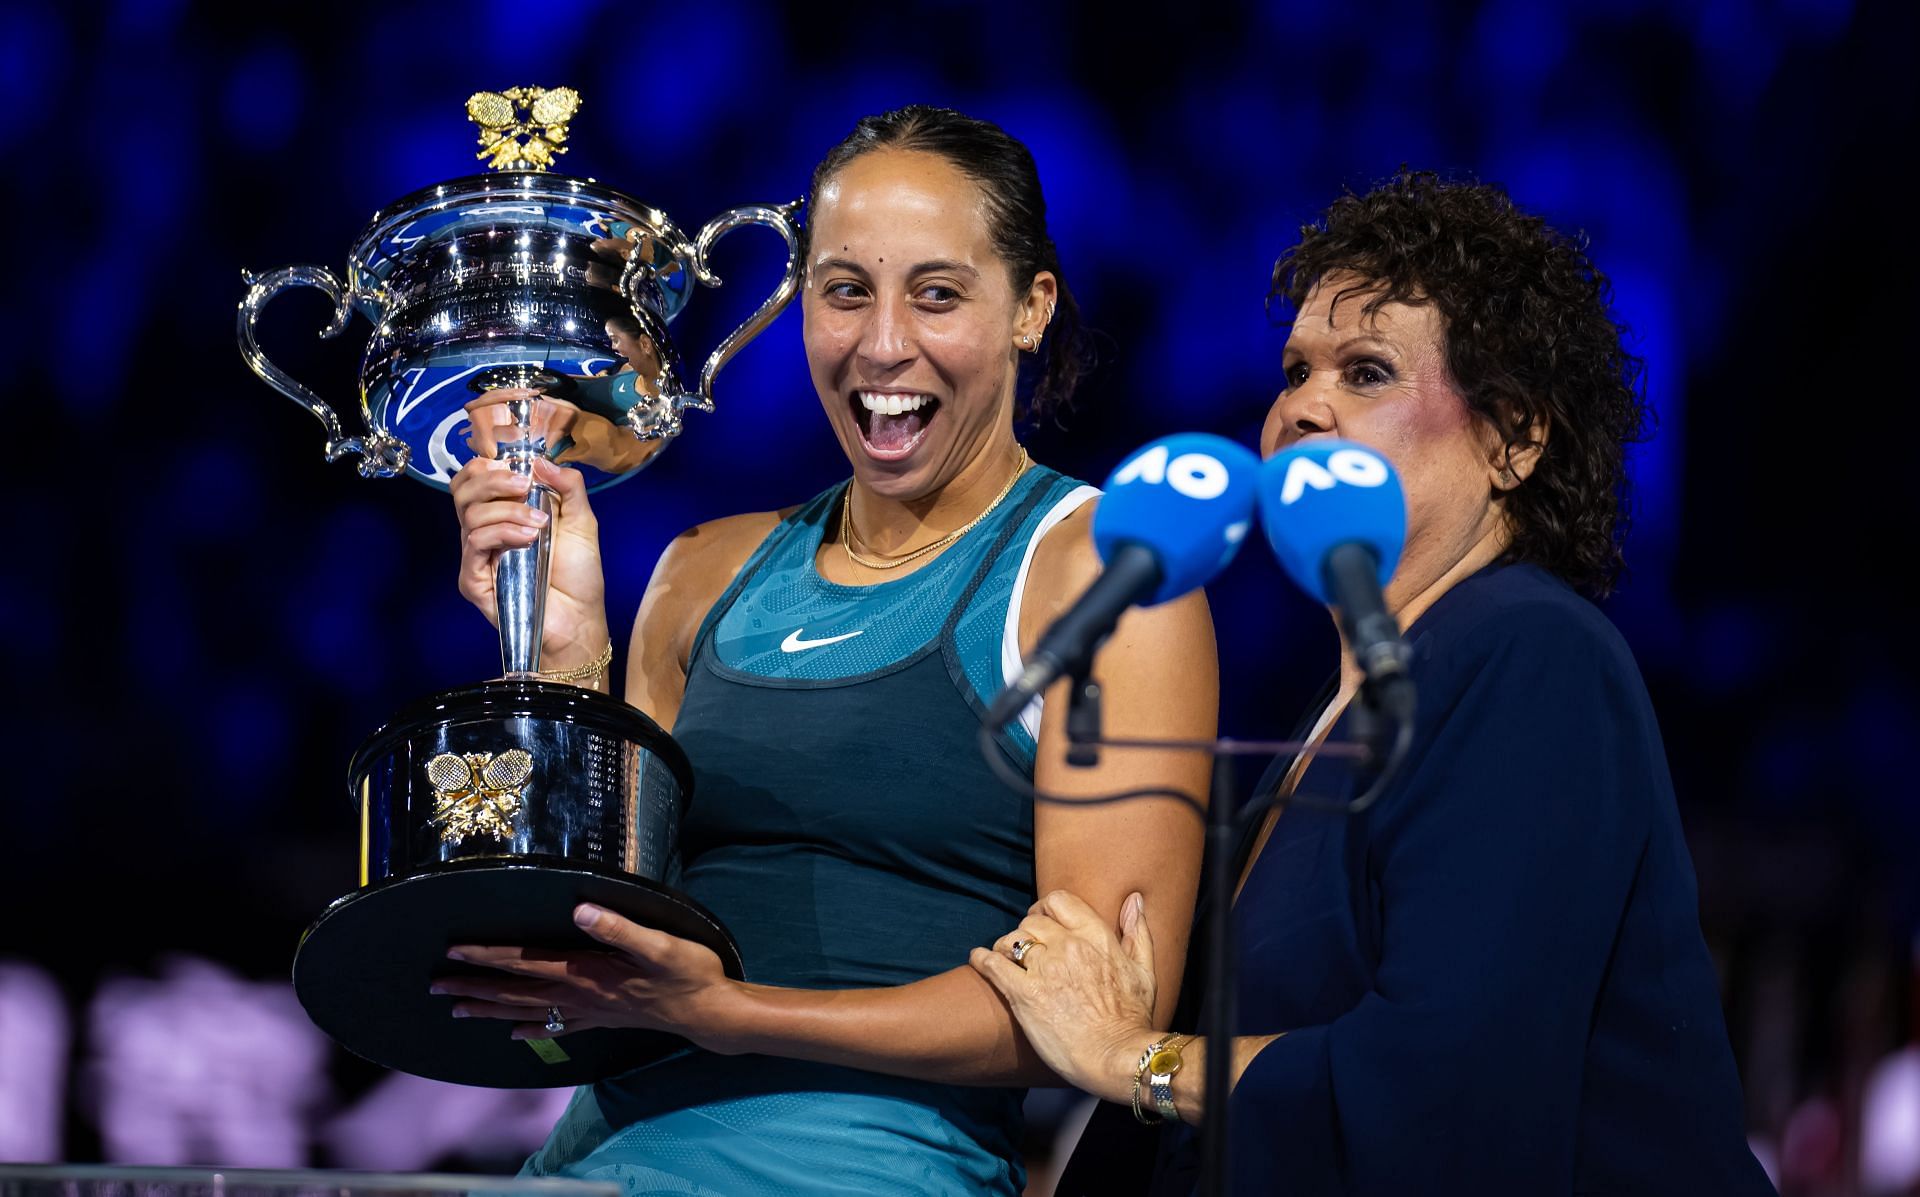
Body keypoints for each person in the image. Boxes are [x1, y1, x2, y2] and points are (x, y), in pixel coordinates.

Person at [431, 106, 1216, 1195]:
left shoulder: (1105, 576)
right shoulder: (702, 569)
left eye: (936, 294)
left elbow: (1097, 1017)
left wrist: (729, 1014)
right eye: (845, 291)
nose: (882, 343)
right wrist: (563, 657)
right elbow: (594, 931)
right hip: (592, 1161)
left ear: (1031, 307)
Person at [969, 171, 1776, 1195]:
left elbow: (1450, 1090)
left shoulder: (1535, 655)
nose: (1305, 406)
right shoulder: (1331, 720)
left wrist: (1131, 1057)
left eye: (1367, 371)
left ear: (1513, 439)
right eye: (1296, 369)